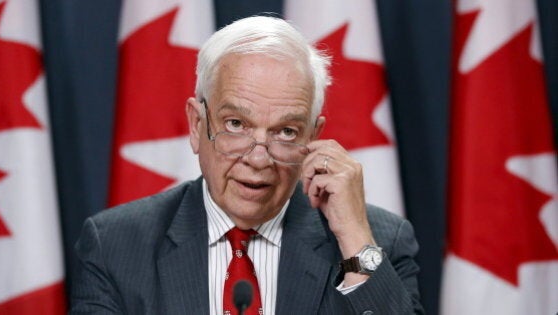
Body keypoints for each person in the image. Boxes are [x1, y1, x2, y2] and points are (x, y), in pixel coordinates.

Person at [71, 16, 423, 315]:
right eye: (236, 125)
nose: (258, 159)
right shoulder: (116, 246)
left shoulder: (380, 241)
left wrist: (355, 242)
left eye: (286, 132)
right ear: (197, 125)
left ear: (313, 137)